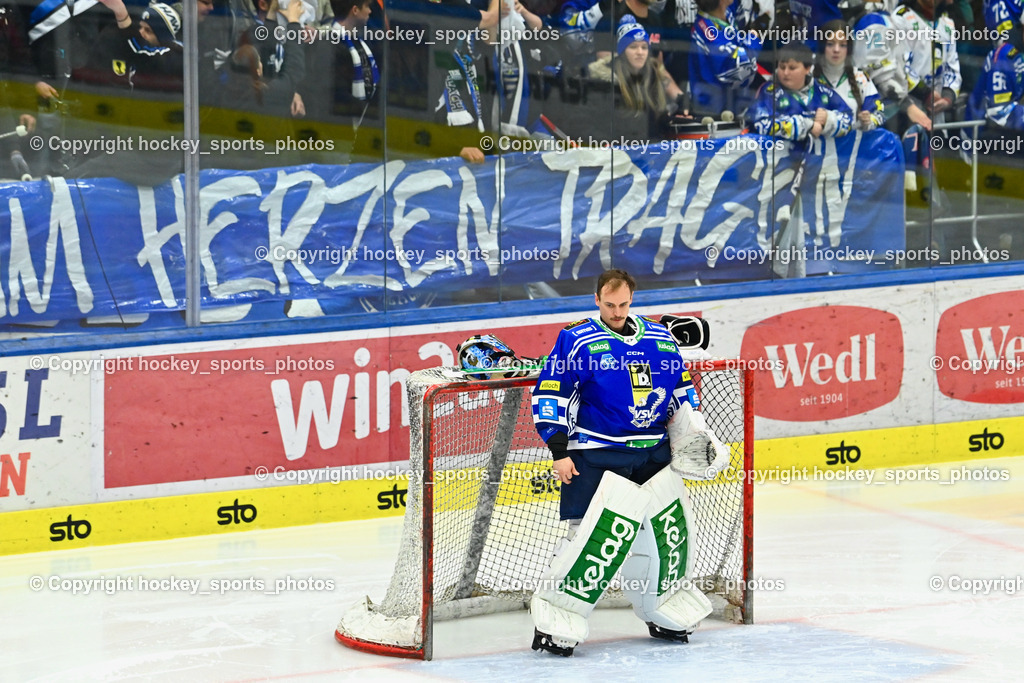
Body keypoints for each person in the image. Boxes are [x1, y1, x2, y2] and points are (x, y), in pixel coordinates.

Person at [529, 268, 717, 656]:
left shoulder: (661, 339)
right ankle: (557, 615)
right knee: (590, 539)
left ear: (633, 300)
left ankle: (659, 606)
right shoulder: (577, 338)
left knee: (665, 533)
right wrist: (559, 450)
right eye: (610, 305)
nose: (617, 311)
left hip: (652, 452)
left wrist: (691, 436)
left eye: (624, 304)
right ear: (597, 300)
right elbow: (552, 390)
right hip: (596, 454)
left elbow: (682, 392)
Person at [749, 41, 852, 140]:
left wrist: (829, 119)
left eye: (792, 68)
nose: (785, 73)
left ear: (807, 69)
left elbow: (849, 118)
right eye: (782, 67)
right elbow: (761, 123)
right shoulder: (769, 91)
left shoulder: (822, 90)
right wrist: (807, 126)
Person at [815, 19, 884, 131]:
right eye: (830, 44)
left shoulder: (860, 77)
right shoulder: (807, 74)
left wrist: (868, 120)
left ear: (849, 49)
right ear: (822, 46)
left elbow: (879, 113)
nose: (836, 50)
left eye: (842, 45)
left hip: (850, 146)